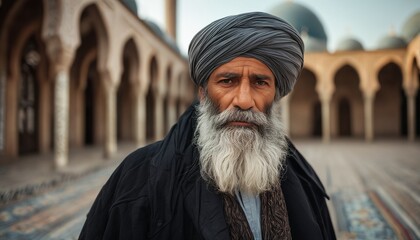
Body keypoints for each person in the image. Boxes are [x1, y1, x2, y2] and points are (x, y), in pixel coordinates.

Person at [79, 12, 336, 240]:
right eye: (227, 81)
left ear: (275, 95)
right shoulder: (140, 178)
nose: (244, 101)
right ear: (203, 93)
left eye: (260, 83)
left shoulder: (301, 179)